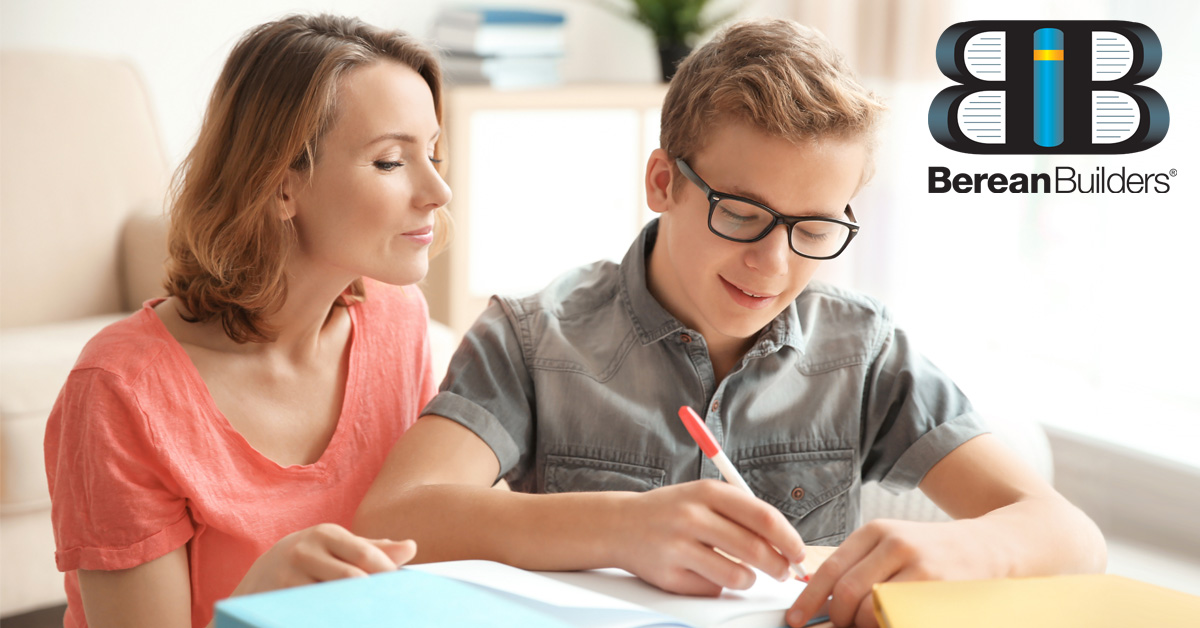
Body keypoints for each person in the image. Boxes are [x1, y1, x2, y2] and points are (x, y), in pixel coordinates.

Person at [353, 17, 1107, 628]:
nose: (772, 264)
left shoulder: (864, 351)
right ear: (663, 182)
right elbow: (399, 512)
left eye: (813, 229)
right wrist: (623, 528)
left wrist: (965, 552)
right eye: (742, 214)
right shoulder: (533, 337)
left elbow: (1072, 538)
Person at [43, 14, 452, 628]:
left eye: (434, 153)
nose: (439, 190)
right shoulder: (120, 391)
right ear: (281, 185)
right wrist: (254, 610)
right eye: (391, 161)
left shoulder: (398, 322)